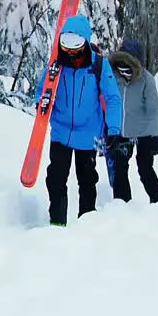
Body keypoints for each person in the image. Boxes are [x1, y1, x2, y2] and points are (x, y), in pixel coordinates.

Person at [37, 15, 126, 226]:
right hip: (60, 131)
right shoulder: (56, 65)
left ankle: (87, 225)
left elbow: (113, 98)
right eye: (67, 48)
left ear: (85, 43)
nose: (71, 53)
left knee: (87, 180)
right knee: (56, 178)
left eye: (75, 48)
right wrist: (40, 103)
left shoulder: (99, 66)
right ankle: (56, 223)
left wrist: (113, 128)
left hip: (89, 134)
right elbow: (43, 90)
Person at [105, 39, 158, 203]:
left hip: (144, 131)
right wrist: (109, 129)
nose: (124, 70)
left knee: (144, 166)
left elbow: (153, 111)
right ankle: (122, 204)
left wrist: (155, 136)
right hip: (121, 131)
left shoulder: (147, 80)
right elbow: (108, 102)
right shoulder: (112, 76)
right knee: (119, 167)